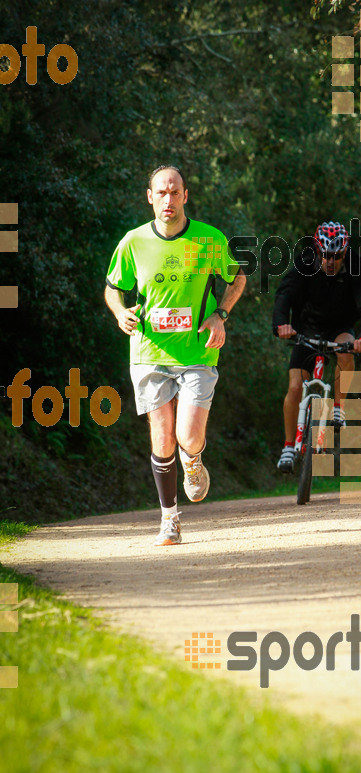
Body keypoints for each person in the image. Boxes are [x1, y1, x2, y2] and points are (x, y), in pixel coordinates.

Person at [105, 165, 246, 545]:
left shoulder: (208, 241)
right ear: (150, 198)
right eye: (161, 193)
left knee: (188, 436)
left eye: (175, 192)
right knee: (163, 437)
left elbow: (238, 278)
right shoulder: (133, 243)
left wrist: (221, 314)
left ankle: (194, 460)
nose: (168, 200)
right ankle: (170, 518)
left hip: (198, 351)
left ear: (185, 196)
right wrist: (121, 313)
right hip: (149, 352)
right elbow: (113, 288)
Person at [272, 221, 361, 472]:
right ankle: (289, 446)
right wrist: (281, 325)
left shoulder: (355, 265)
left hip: (339, 328)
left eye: (337, 256)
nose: (331, 262)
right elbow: (285, 293)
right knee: (295, 387)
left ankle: (339, 408)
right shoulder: (306, 262)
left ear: (345, 252)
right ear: (317, 251)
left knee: (347, 353)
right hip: (306, 329)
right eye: (326, 256)